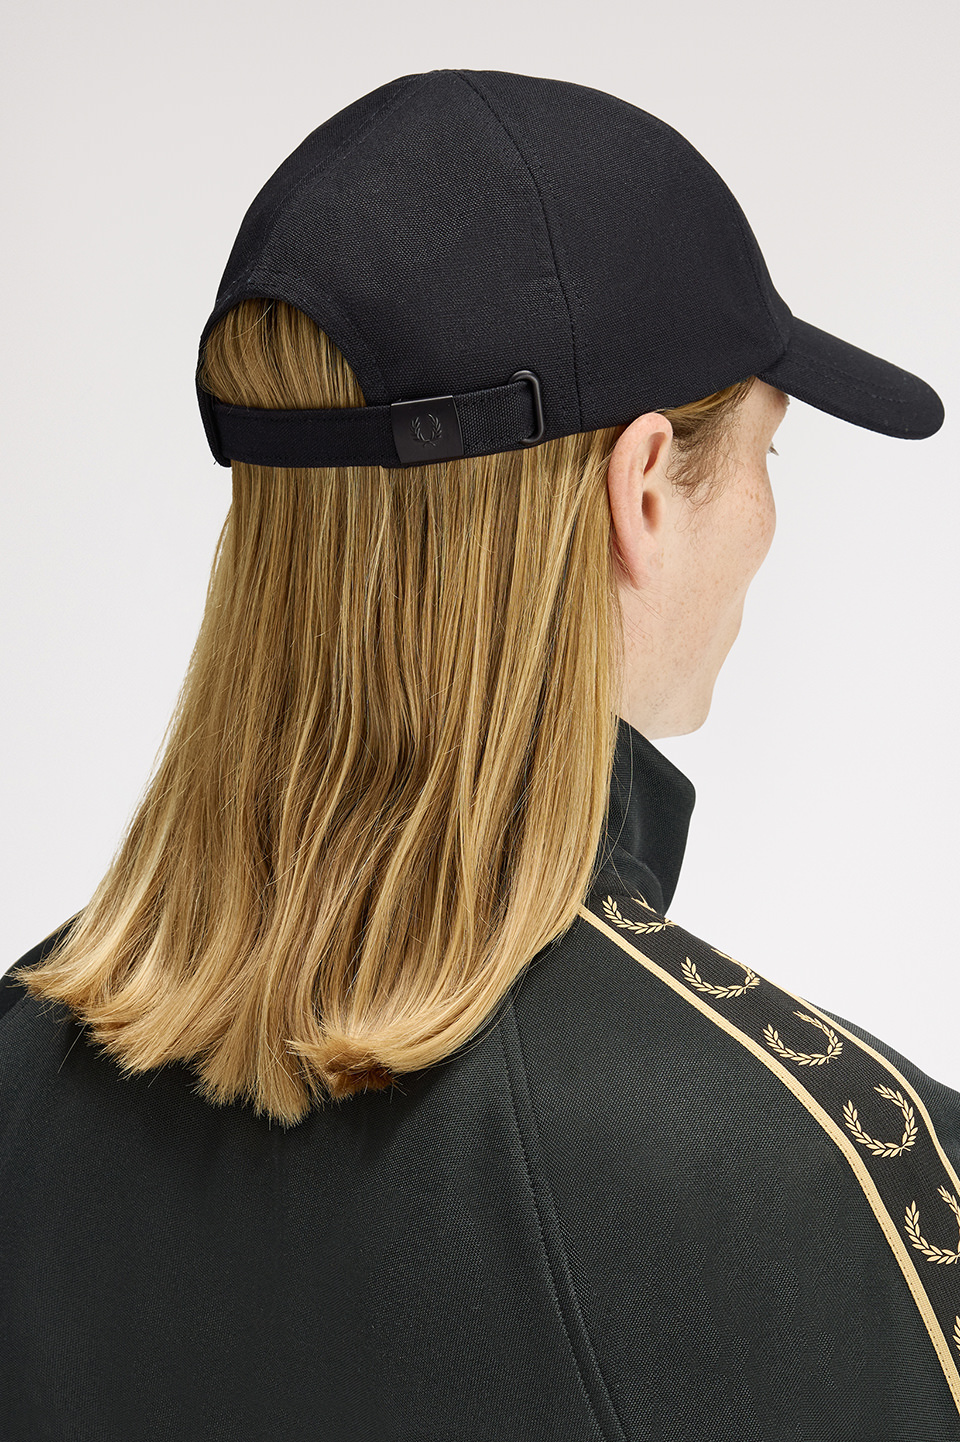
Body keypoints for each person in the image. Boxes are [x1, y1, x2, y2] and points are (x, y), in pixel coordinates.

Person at [1, 68, 957, 1441]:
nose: (765, 516)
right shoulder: (848, 1183)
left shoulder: (19, 1090)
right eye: (767, 452)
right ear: (642, 492)